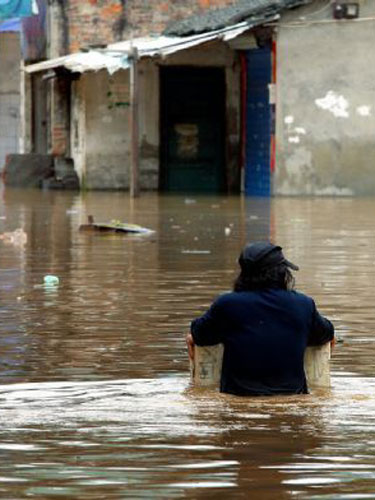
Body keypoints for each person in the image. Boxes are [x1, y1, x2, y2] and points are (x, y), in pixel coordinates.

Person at [186, 241, 334, 396]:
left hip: (238, 403)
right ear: (283, 273)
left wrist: (193, 336)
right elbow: (326, 334)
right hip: (291, 403)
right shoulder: (304, 304)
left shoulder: (227, 304)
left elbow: (200, 334)